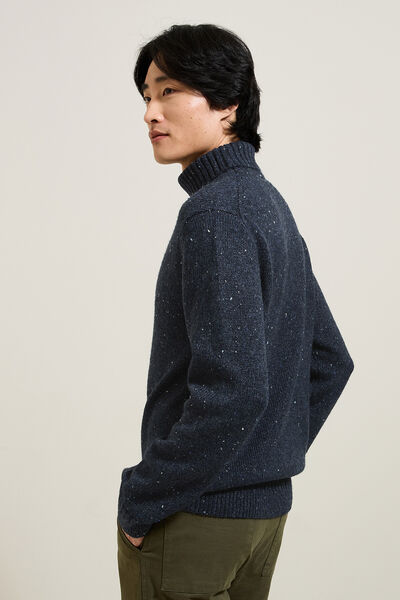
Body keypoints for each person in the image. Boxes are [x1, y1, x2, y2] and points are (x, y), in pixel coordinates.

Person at [116, 23, 354, 600]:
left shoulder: (216, 213)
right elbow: (329, 360)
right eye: (146, 96)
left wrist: (143, 496)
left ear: (228, 104)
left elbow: (236, 389)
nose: (150, 113)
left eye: (169, 91)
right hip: (261, 518)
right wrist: (265, 462)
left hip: (194, 518)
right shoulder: (266, 203)